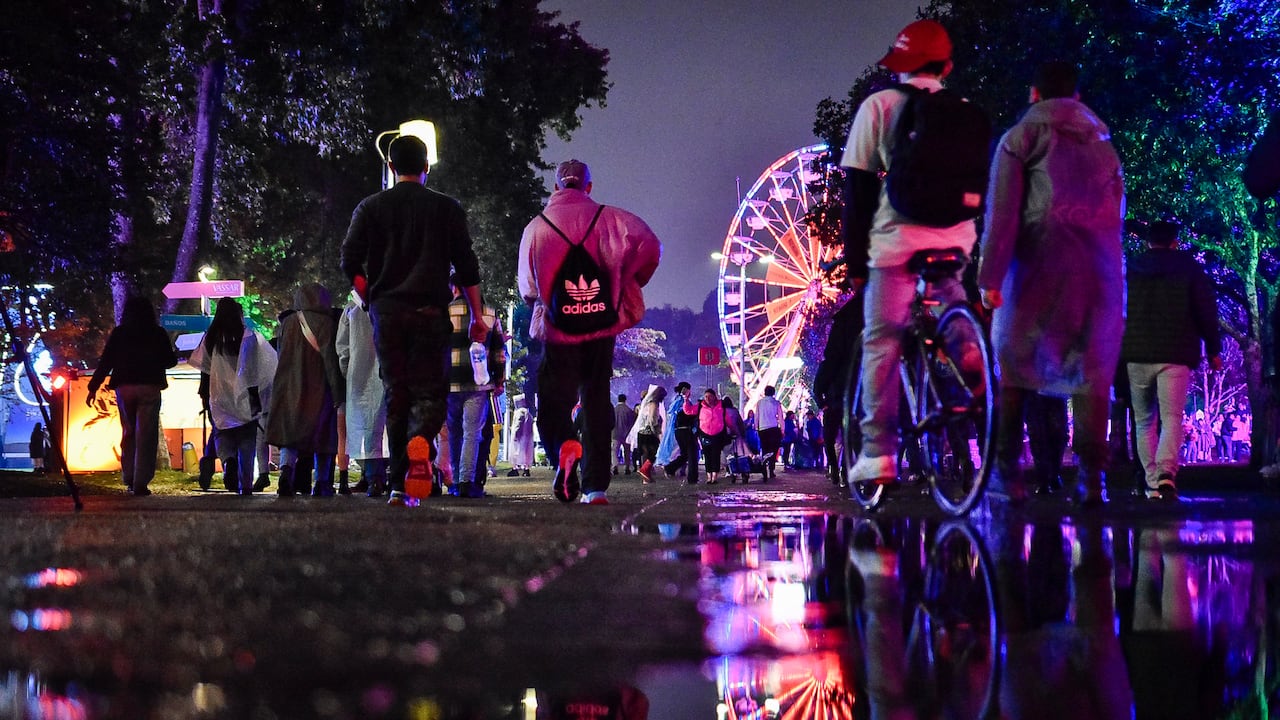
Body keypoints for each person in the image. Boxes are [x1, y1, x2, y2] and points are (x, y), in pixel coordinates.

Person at [978, 61, 1125, 505]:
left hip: (1037, 262)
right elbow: (1117, 211)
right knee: (1092, 370)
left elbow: (1003, 213)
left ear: (1034, 93)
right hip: (1098, 269)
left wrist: (990, 277)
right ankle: (1091, 478)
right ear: (1077, 97)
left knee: (1015, 362)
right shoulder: (1104, 145)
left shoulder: (1019, 139)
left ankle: (1007, 470)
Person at [840, 19, 978, 486]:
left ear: (898, 65)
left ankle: (878, 454)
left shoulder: (879, 106)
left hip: (897, 244)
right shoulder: (965, 111)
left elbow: (858, 192)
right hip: (956, 239)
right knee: (950, 304)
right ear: (947, 67)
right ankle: (973, 360)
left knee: (882, 339)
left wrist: (857, 265)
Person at [340, 135, 489, 506]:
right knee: (431, 391)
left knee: (396, 393)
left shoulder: (370, 207)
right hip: (429, 312)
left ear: (391, 167)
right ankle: (421, 442)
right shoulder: (446, 208)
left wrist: (371, 297)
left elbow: (349, 261)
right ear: (426, 166)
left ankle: (397, 484)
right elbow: (467, 266)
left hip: (388, 314)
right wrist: (476, 317)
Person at [517, 159, 661, 505]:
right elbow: (652, 247)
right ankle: (595, 486)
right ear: (589, 187)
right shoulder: (613, 220)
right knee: (596, 398)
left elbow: (528, 288)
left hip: (557, 329)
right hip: (600, 326)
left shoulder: (535, 228)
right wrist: (626, 282)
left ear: (555, 187)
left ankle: (564, 448)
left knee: (554, 401)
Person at [1120, 220, 1222, 500]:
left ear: (1148, 241)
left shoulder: (1131, 268)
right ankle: (1167, 472)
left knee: (1143, 421)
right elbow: (1205, 309)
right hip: (1176, 351)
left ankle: (1152, 482)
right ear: (1174, 242)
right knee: (1172, 417)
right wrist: (1213, 349)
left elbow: (1118, 309)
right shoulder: (1189, 268)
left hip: (1137, 352)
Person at [86, 295, 178, 496]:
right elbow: (169, 361)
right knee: (146, 435)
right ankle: (141, 481)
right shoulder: (157, 333)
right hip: (150, 386)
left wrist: (93, 387)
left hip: (125, 386)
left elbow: (106, 361)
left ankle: (128, 475)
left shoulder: (120, 333)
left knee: (128, 432)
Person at [188, 297, 278, 495]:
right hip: (245, 395)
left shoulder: (211, 337)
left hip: (218, 394)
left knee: (222, 432)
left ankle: (228, 460)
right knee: (247, 438)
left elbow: (205, 369)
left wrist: (204, 395)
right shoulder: (248, 336)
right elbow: (256, 368)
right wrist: (256, 398)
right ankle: (246, 484)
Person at [266, 283, 344, 497]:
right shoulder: (328, 324)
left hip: (289, 386)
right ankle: (322, 482)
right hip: (319, 388)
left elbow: (281, 354)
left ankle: (286, 471)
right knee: (323, 436)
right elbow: (331, 360)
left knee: (289, 435)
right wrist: (338, 393)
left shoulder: (288, 323)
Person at [445, 277, 505, 499]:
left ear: (454, 288)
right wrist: (499, 379)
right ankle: (466, 481)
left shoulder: (444, 312)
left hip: (449, 382)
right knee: (472, 433)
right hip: (479, 384)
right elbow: (499, 352)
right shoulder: (489, 313)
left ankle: (454, 482)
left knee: (454, 433)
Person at [336, 292, 389, 496]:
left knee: (364, 428)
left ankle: (372, 476)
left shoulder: (351, 309)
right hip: (387, 372)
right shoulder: (388, 303)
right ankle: (384, 477)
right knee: (386, 427)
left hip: (358, 375)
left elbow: (343, 348)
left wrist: (348, 371)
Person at [687, 388, 729, 484]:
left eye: (710, 396)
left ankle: (714, 477)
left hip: (718, 434)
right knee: (707, 455)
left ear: (714, 397)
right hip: (704, 434)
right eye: (706, 396)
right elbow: (688, 411)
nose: (708, 398)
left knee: (716, 455)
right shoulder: (700, 406)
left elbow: (727, 419)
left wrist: (734, 430)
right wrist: (686, 399)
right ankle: (709, 477)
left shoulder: (721, 406)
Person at [661, 382, 699, 482]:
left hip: (678, 431)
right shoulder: (684, 402)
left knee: (685, 454)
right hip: (686, 430)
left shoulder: (675, 401)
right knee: (692, 454)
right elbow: (688, 415)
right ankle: (692, 477)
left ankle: (670, 468)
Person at [631, 385, 667, 483]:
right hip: (649, 432)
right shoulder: (654, 403)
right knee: (653, 452)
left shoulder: (646, 403)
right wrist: (656, 431)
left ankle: (646, 476)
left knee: (646, 453)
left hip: (642, 431)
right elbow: (652, 419)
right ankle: (645, 470)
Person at [755, 385, 783, 479]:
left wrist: (756, 428)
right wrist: (782, 429)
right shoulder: (776, 403)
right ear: (773, 393)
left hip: (762, 429)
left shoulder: (759, 403)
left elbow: (757, 416)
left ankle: (764, 468)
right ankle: (771, 469)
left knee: (765, 449)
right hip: (773, 428)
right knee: (773, 450)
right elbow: (780, 418)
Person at [612, 393, 637, 475]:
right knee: (627, 452)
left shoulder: (614, 410)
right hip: (626, 434)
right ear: (625, 400)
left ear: (618, 399)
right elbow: (633, 422)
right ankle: (627, 468)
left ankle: (615, 467)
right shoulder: (629, 410)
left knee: (614, 451)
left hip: (615, 434)